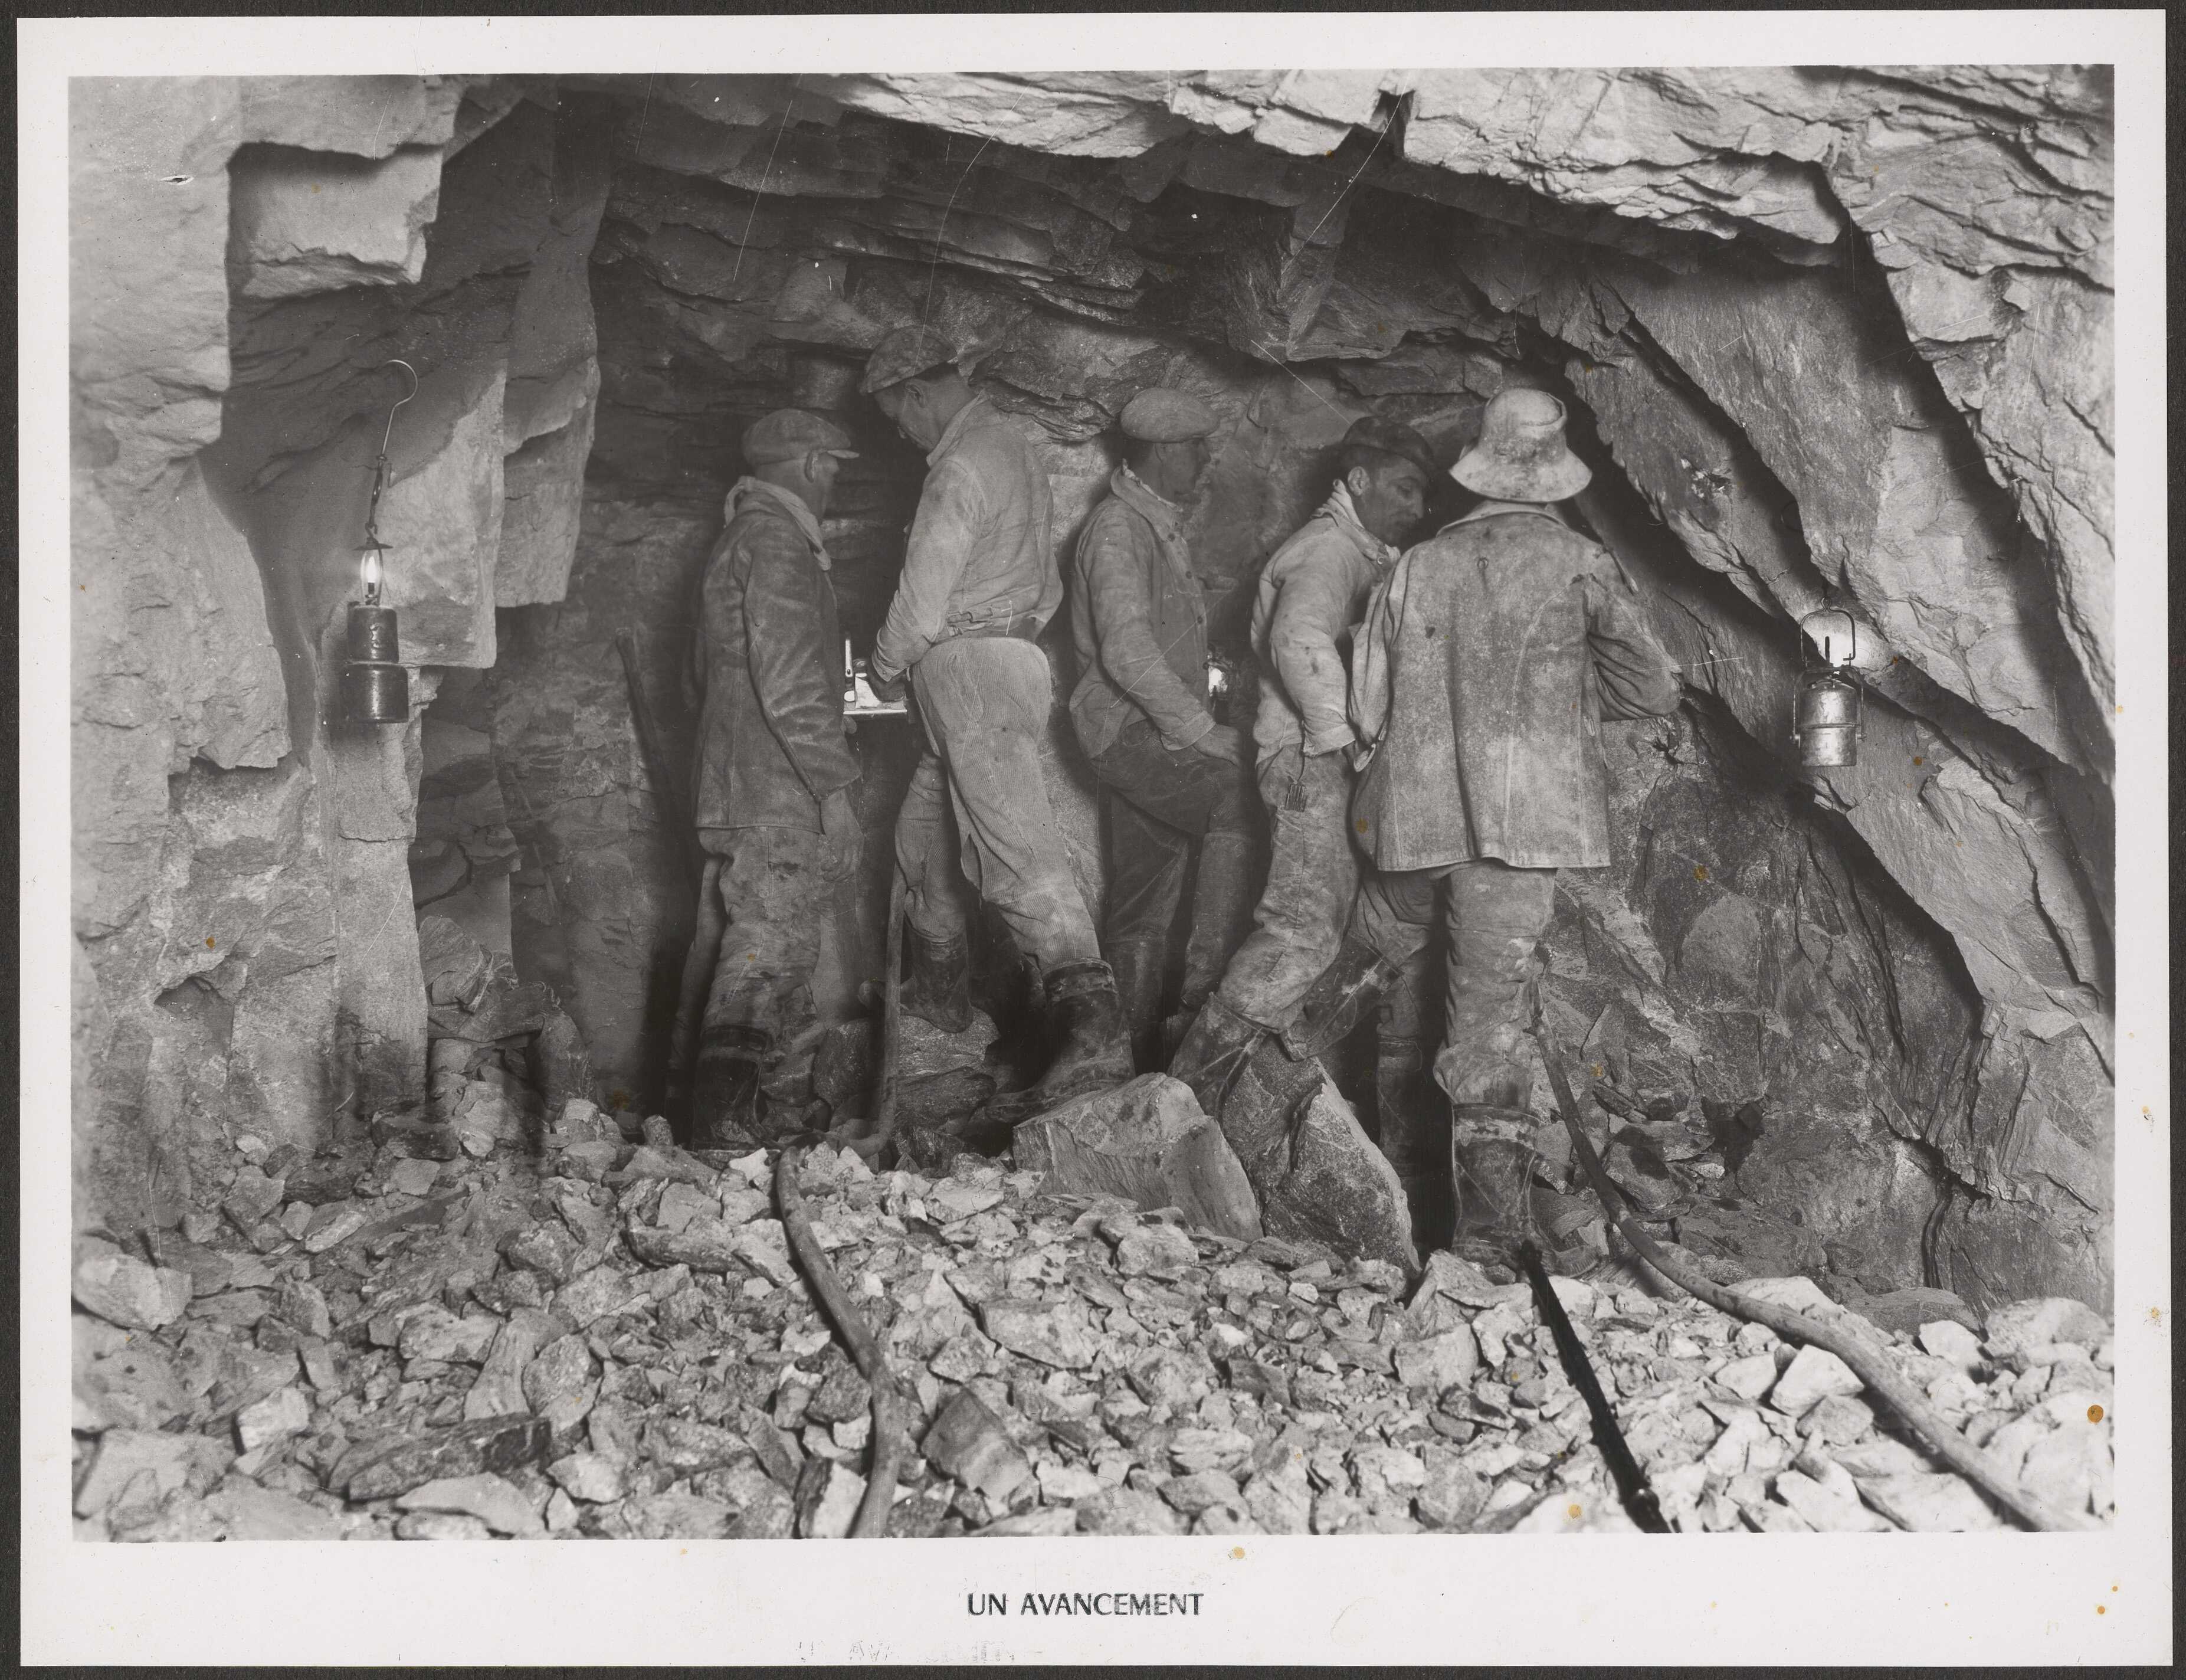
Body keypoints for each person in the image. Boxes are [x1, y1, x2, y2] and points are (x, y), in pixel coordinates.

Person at [1282, 387, 1683, 1264]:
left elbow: (1368, 699)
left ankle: (1272, 1089)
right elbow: (1650, 689)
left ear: (1481, 464)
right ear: (1552, 472)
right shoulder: (1580, 562)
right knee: (1487, 1022)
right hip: (1521, 829)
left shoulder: (1418, 563)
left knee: (1367, 957)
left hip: (1413, 818)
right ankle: (1490, 1239)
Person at [860, 326, 1132, 1121]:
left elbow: (918, 604)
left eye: (896, 416)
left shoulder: (956, 464)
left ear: (918, 393)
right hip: (1009, 655)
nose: (901, 432)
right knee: (923, 844)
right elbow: (1043, 588)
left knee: (1018, 852)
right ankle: (940, 1000)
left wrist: (881, 671)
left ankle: (1094, 1028)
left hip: (963, 667)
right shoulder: (1014, 445)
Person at [1168, 415, 1434, 1117]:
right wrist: (1339, 737)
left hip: (1328, 758)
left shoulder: (1361, 551)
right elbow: (1297, 639)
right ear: (1358, 480)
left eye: (1423, 495)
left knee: (1337, 925)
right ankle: (1186, 1100)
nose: (1418, 507)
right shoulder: (1327, 550)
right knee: (1303, 928)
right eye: (1406, 489)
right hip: (1312, 761)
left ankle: (1248, 1093)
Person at [684, 408, 865, 1147]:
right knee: (771, 941)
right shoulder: (779, 542)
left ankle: (770, 1110)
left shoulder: (740, 537)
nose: (837, 480)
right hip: (773, 783)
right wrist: (836, 787)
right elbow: (791, 686)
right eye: (835, 466)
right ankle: (722, 1123)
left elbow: (701, 679)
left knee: (770, 937)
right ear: (816, 464)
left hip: (738, 775)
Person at [1064, 388, 1258, 1072]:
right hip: (1126, 727)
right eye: (1197, 449)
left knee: (1143, 894)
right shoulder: (1119, 528)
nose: (1206, 461)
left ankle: (1121, 1058)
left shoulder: (1155, 523)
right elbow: (1125, 650)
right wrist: (1200, 730)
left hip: (1136, 727)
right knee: (1238, 797)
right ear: (1163, 450)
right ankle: (1202, 1010)